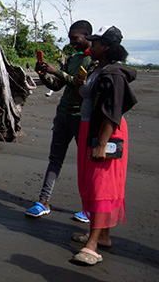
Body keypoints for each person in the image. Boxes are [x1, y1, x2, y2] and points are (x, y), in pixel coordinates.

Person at [71, 25, 137, 265]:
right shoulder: (98, 69)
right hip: (90, 127)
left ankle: (93, 245)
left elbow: (113, 111)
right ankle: (102, 236)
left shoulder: (114, 74)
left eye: (96, 43)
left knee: (102, 185)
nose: (92, 46)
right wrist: (79, 85)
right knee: (93, 181)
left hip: (105, 133)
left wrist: (102, 143)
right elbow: (86, 100)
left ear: (106, 47)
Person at [25, 20, 95, 221]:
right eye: (71, 38)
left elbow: (81, 85)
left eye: (76, 38)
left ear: (87, 37)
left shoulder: (95, 61)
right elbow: (58, 85)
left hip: (82, 117)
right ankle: (43, 201)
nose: (72, 42)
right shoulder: (74, 58)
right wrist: (45, 75)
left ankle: (89, 207)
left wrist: (57, 71)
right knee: (55, 158)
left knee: (86, 162)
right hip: (63, 113)